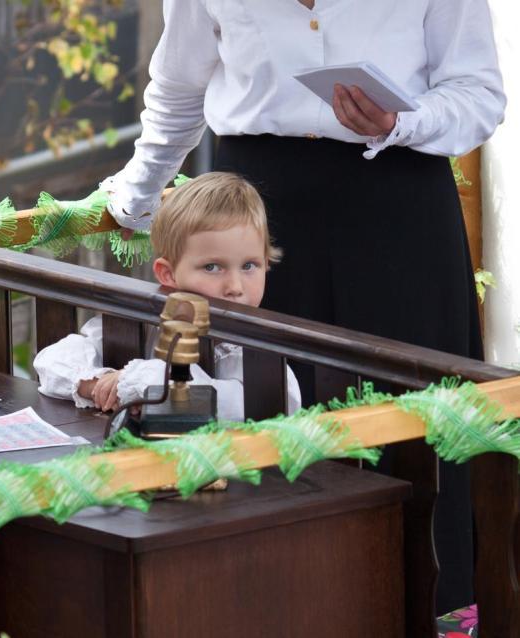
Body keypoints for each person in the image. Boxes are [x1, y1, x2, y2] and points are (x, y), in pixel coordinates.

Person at [101, 0, 505, 615]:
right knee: (269, 423)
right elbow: (179, 87)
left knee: (418, 428)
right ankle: (279, 613)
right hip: (254, 223)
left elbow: (479, 95)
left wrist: (403, 121)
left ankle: (435, 616)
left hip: (400, 207)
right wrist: (137, 197)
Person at [34, 172, 301, 419]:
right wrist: (98, 385)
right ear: (168, 274)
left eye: (249, 265)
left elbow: (236, 405)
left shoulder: (261, 354)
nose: (235, 286)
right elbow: (51, 360)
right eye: (212, 267)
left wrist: (135, 381)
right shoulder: (147, 323)